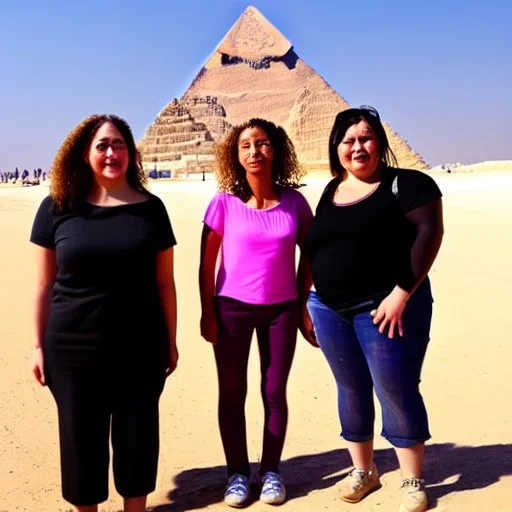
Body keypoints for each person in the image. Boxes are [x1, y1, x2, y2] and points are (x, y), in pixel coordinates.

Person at [30, 114, 178, 512]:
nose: (112, 153)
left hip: (140, 345)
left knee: (138, 438)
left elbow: (165, 282)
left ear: (131, 152)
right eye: (102, 145)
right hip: (72, 348)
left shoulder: (152, 210)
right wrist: (37, 346)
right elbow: (45, 284)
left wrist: (171, 340)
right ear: (85, 153)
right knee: (81, 444)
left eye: (119, 145)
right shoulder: (57, 207)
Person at [302, 106, 444, 512]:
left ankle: (413, 479)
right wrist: (306, 302)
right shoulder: (331, 191)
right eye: (348, 141)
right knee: (350, 389)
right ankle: (363, 470)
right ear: (336, 148)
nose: (357, 147)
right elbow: (314, 251)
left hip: (386, 306)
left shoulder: (409, 183)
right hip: (329, 308)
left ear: (380, 141)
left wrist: (401, 293)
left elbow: (429, 232)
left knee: (395, 388)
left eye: (365, 138)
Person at [199, 118, 314, 507]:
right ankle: (236, 473)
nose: (254, 152)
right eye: (245, 145)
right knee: (232, 393)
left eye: (262, 144)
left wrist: (302, 304)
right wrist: (207, 313)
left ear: (276, 149)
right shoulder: (223, 203)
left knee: (273, 392)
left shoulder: (295, 203)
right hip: (231, 309)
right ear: (235, 154)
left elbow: (310, 255)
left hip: (281, 310)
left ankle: (270, 472)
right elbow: (206, 264)